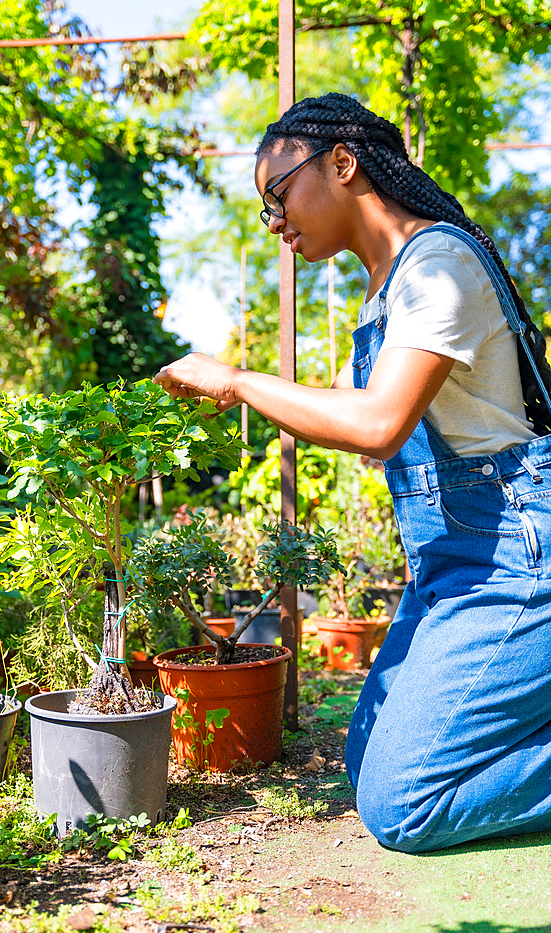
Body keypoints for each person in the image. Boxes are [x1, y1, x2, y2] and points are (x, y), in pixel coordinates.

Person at [153, 92, 551, 854]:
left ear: (342, 164)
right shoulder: (386, 290)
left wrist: (236, 381)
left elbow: (377, 423)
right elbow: (347, 410)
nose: (273, 220)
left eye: (278, 193)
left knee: (403, 804)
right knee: (368, 756)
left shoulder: (437, 261)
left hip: (517, 566)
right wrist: (217, 395)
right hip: (451, 571)